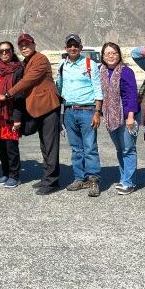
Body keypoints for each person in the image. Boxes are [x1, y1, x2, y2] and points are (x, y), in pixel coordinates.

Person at [0, 33, 61, 195]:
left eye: (27, 44)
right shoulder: (26, 62)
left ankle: (52, 181)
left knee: (50, 145)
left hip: (48, 107)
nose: (24, 47)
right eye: (21, 45)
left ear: (34, 44)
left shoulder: (40, 59)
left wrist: (7, 94)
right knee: (44, 146)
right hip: (38, 109)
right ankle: (47, 177)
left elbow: (27, 81)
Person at [56, 34, 103, 197]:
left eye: (75, 45)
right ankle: (79, 178)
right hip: (69, 111)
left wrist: (97, 112)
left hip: (88, 111)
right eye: (69, 46)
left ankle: (94, 180)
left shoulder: (90, 64)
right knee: (76, 149)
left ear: (81, 47)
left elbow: (98, 89)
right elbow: (59, 88)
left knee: (90, 148)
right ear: (66, 48)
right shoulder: (62, 65)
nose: (73, 48)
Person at [100, 42, 140, 195]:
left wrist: (130, 117)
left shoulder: (126, 71)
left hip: (126, 116)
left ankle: (129, 183)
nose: (111, 56)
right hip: (110, 116)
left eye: (114, 53)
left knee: (128, 149)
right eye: (107, 53)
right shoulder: (101, 71)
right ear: (103, 56)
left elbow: (131, 96)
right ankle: (124, 177)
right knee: (119, 149)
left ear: (119, 55)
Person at [0, 41, 24, 188]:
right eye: (1, 51)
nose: (4, 53)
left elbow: (20, 95)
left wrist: (18, 119)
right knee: (1, 146)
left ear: (12, 52)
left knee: (11, 147)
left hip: (11, 114)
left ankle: (14, 176)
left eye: (7, 51)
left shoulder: (18, 70)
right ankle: (5, 173)